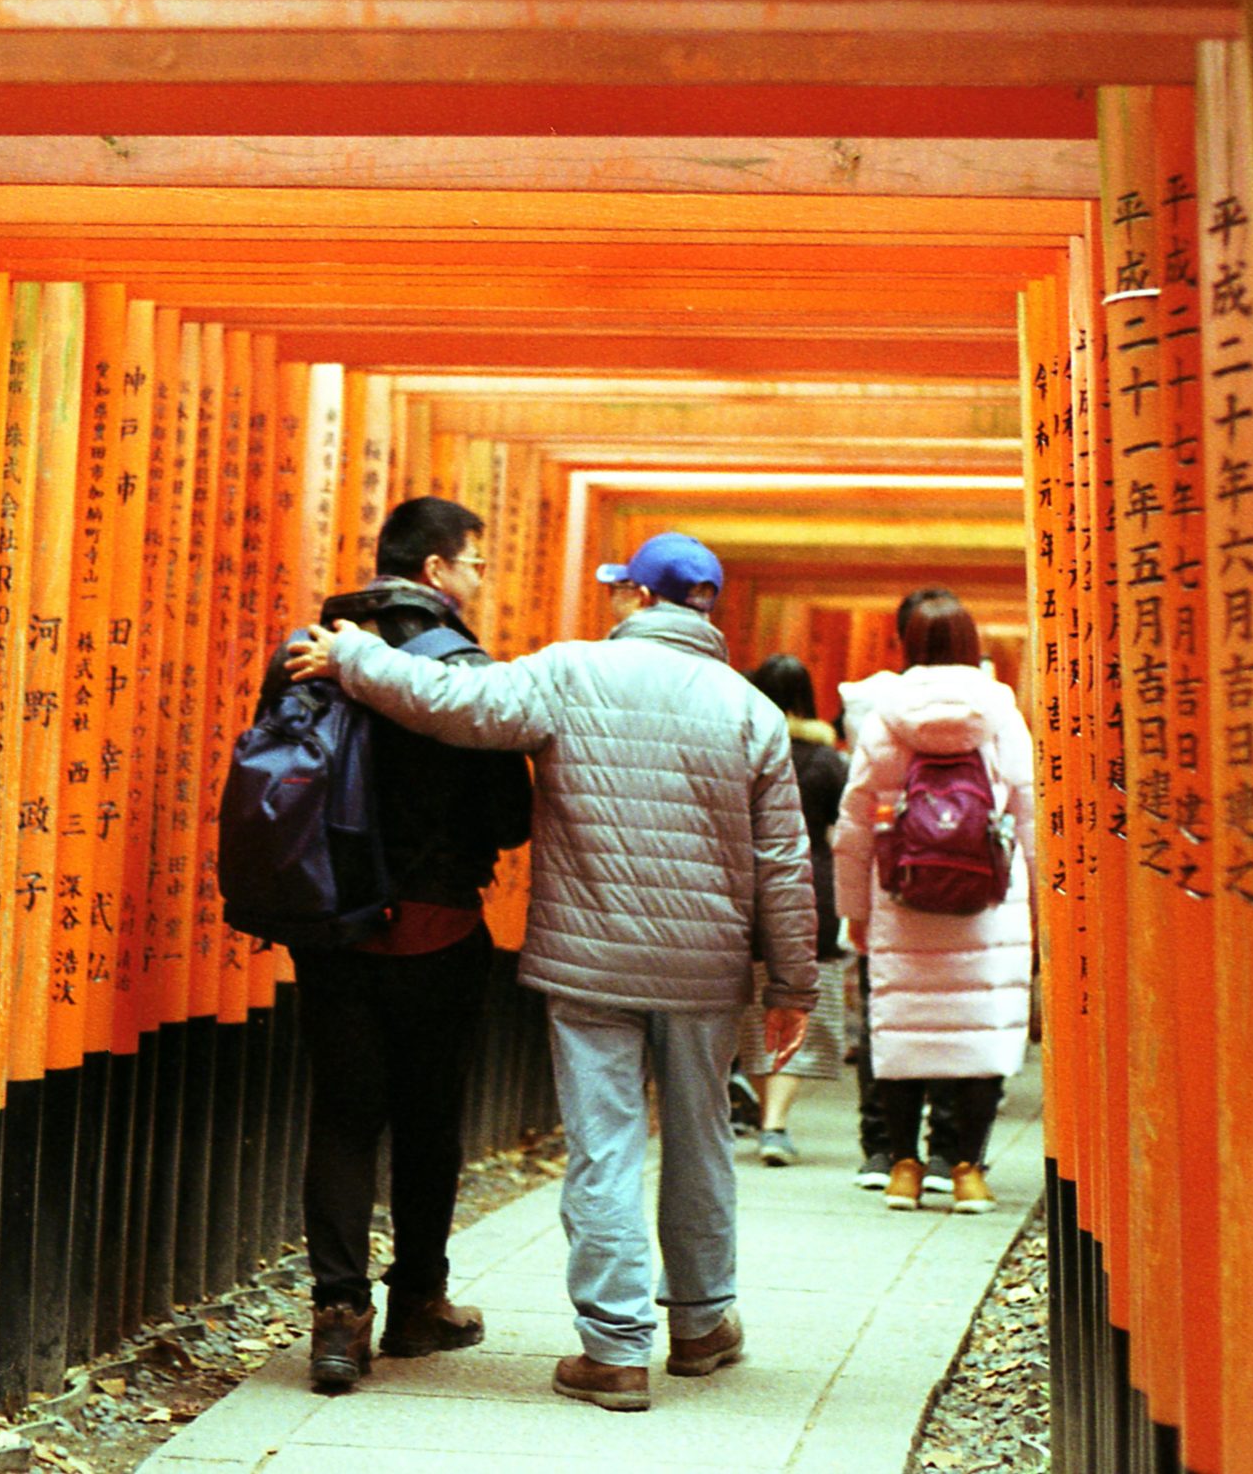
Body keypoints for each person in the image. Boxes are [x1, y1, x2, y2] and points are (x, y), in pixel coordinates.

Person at [287, 530, 817, 1413]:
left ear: (641, 599)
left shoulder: (570, 673)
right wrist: (793, 986)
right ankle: (700, 1323)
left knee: (602, 1146)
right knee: (701, 1139)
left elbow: (453, 702)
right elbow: (785, 863)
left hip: (590, 961)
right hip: (704, 968)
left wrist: (356, 657)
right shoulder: (750, 709)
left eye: (620, 590)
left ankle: (613, 1351)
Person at [256, 496, 534, 1392]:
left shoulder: (307, 654)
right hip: (438, 926)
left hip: (331, 930)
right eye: (476, 562)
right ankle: (417, 1299)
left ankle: (337, 1320)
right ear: (434, 573)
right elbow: (510, 816)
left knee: (341, 1115)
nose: (481, 579)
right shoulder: (464, 672)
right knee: (428, 1120)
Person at [833, 588, 1035, 1214]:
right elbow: (1030, 811)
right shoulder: (1000, 711)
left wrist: (854, 912)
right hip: (987, 904)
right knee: (979, 1035)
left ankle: (902, 1169)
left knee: (902, 1034)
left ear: (910, 645)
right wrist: (1047, 909)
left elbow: (856, 823)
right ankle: (968, 1171)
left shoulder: (885, 713)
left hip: (903, 897)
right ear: (972, 645)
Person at [733, 654, 848, 1168]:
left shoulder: (739, 748)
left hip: (741, 883)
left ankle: (764, 1118)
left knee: (752, 1001)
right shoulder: (826, 760)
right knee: (799, 1001)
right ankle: (776, 1124)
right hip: (809, 887)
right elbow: (841, 831)